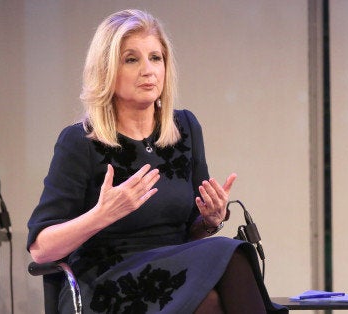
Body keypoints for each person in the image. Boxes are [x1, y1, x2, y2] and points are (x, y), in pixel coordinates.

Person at [27, 9, 284, 314]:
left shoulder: (185, 129)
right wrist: (102, 215)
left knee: (219, 279)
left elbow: (192, 229)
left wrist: (209, 220)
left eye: (156, 58)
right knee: (227, 258)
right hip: (108, 280)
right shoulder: (80, 141)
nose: (148, 70)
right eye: (132, 59)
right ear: (107, 70)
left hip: (175, 270)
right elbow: (41, 249)